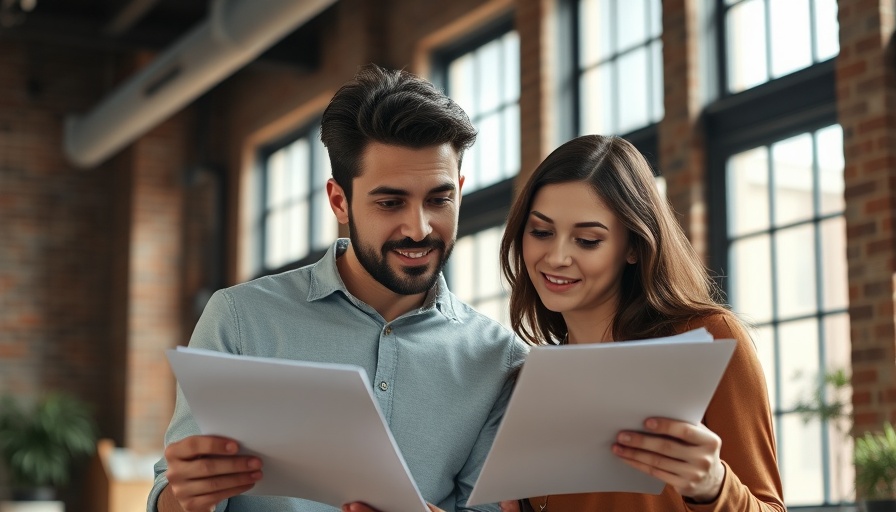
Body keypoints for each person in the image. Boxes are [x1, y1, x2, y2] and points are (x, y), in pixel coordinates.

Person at [147, 63, 527, 512]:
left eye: (439, 199)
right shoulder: (240, 320)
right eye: (390, 202)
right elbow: (173, 498)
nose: (420, 227)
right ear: (338, 200)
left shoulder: (499, 358)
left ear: (460, 192)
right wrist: (187, 496)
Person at [496, 135, 785, 512]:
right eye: (542, 232)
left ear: (633, 246)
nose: (557, 257)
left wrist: (714, 486)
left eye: (586, 240)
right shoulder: (527, 381)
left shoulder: (708, 339)